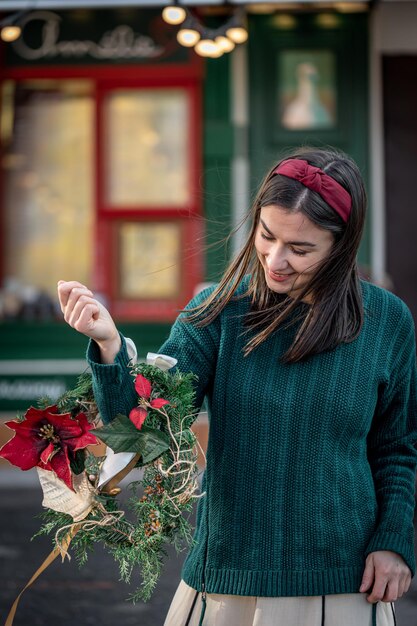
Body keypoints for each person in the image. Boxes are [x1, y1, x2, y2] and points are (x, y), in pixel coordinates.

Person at [57, 147, 417, 626]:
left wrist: (394, 540)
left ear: (342, 246)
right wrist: (107, 346)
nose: (276, 259)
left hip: (346, 585)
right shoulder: (218, 311)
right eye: (266, 235)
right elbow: (143, 434)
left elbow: (397, 449)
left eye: (301, 248)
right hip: (225, 585)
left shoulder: (387, 321)